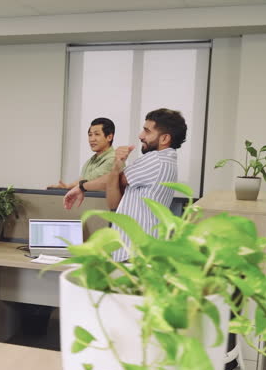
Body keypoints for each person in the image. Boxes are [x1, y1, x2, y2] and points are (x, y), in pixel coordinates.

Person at [64, 108, 186, 261]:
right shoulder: (165, 160)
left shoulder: (156, 159)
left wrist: (81, 187)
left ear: (164, 139)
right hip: (131, 251)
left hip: (137, 252)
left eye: (147, 131)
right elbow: (114, 203)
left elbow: (114, 179)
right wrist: (116, 166)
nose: (141, 135)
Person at [49, 118, 131, 192]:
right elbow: (83, 182)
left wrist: (68, 186)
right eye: (90, 135)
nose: (92, 139)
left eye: (97, 134)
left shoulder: (114, 159)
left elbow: (90, 180)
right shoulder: (90, 161)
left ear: (109, 137)